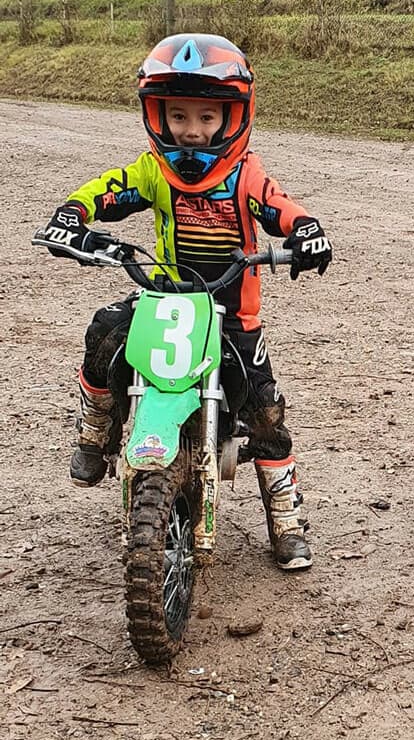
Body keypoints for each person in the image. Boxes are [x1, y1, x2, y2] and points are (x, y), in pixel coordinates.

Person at [37, 33, 332, 571]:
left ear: (233, 117)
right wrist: (71, 214)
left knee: (265, 411)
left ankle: (286, 519)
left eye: (206, 117)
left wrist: (307, 231)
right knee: (106, 331)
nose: (192, 131)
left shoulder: (246, 173)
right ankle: (94, 428)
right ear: (158, 115)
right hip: (164, 298)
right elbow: (108, 188)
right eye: (178, 116)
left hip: (232, 310)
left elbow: (280, 207)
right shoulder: (154, 169)